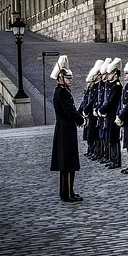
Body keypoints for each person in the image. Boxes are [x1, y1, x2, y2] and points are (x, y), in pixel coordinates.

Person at [50, 55, 85, 202]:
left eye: (70, 78)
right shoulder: (62, 92)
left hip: (64, 128)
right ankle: (67, 194)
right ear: (60, 78)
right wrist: (81, 119)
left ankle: (67, 191)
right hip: (66, 128)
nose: (70, 81)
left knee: (67, 163)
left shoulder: (62, 90)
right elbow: (70, 110)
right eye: (67, 78)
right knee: (68, 162)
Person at [99, 57, 123, 169]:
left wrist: (101, 110)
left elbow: (112, 102)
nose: (108, 75)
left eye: (110, 74)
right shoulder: (111, 85)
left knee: (114, 138)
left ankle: (116, 160)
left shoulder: (117, 86)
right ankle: (113, 158)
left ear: (115, 74)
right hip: (109, 115)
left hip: (113, 114)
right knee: (110, 137)